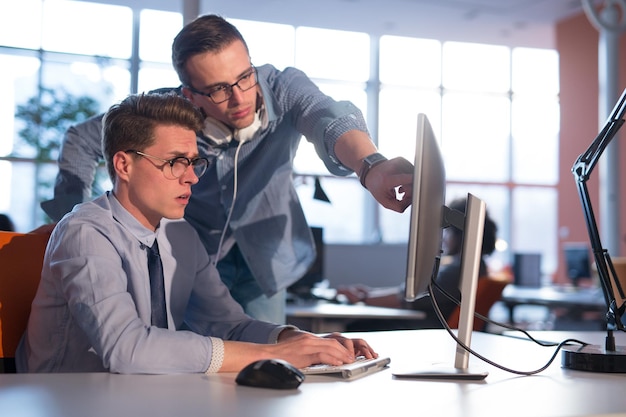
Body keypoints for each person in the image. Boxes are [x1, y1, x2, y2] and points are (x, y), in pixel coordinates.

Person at [39, 14, 414, 324]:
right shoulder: (166, 113)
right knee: (187, 369)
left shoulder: (284, 89)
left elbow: (329, 119)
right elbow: (82, 139)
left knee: (267, 370)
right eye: (218, 89)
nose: (239, 99)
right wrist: (68, 220)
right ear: (189, 95)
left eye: (244, 78)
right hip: (187, 261)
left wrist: (372, 168)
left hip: (264, 263)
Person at [16, 92, 378, 374]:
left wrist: (295, 339)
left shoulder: (179, 234)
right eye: (174, 162)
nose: (191, 177)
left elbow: (227, 325)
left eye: (192, 162)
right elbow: (127, 349)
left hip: (143, 395)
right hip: (66, 398)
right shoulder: (85, 233)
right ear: (124, 164)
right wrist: (273, 355)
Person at [337, 197, 498, 329]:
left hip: (432, 329)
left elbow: (412, 297)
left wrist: (363, 298)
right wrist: (370, 293)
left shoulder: (459, 270)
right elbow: (412, 292)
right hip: (434, 325)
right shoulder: (474, 267)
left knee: (358, 326)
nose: (445, 238)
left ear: (460, 235)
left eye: (448, 232)